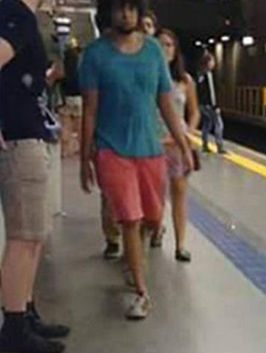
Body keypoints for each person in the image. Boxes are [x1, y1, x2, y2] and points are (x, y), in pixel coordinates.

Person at [79, 0, 193, 320]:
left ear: (140, 12)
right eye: (119, 8)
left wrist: (183, 144)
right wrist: (85, 157)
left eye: (131, 8)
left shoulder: (154, 52)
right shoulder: (95, 55)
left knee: (153, 218)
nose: (125, 14)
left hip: (150, 150)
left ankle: (134, 261)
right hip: (111, 149)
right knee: (129, 217)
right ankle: (142, 291)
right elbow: (89, 109)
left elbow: (166, 103)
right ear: (109, 13)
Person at [0, 0, 71, 351]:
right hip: (19, 137)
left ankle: (25, 312)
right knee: (23, 236)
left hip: (30, 132)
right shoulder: (14, 13)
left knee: (34, 234)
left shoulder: (21, 17)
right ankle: (13, 330)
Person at [155, 28, 200, 262]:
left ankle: (180, 244)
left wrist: (188, 132)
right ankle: (156, 227)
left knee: (179, 193)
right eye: (161, 44)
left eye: (170, 45)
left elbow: (194, 111)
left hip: (177, 146)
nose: (165, 49)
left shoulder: (185, 81)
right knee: (155, 195)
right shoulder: (148, 76)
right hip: (154, 143)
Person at [196, 51, 226, 154]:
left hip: (204, 104)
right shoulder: (206, 75)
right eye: (212, 61)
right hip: (208, 105)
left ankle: (205, 145)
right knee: (219, 124)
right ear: (208, 62)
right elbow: (208, 92)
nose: (214, 63)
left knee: (207, 124)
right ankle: (219, 146)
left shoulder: (202, 74)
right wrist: (214, 106)